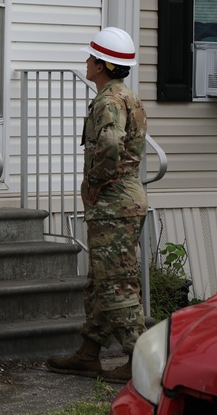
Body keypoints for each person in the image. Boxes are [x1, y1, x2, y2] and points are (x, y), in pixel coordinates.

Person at [46, 26, 148, 383]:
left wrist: (93, 184)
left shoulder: (108, 100)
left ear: (103, 64)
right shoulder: (127, 96)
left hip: (113, 203)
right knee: (101, 280)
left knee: (116, 283)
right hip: (124, 201)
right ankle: (89, 354)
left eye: (91, 57)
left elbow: (109, 146)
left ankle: (140, 360)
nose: (87, 62)